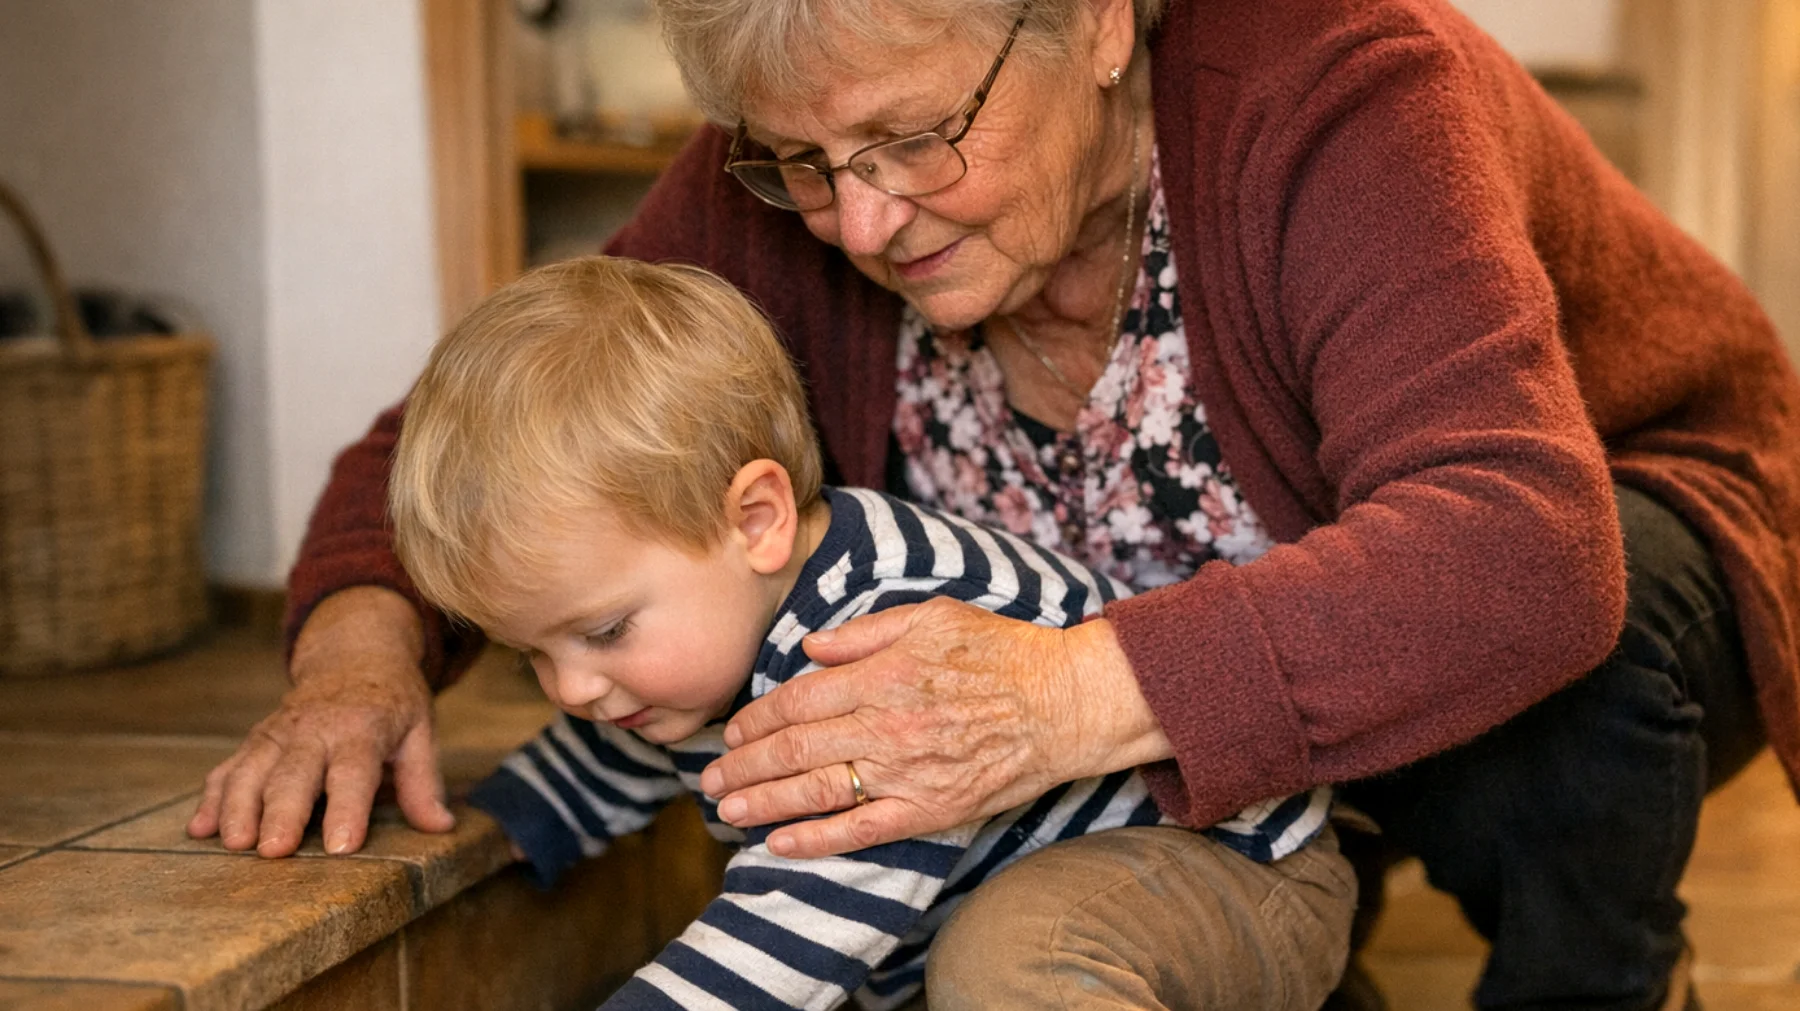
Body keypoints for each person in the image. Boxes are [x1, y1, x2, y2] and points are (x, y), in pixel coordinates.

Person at [189, 0, 1800, 1007]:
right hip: (1227, 754)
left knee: (1558, 680)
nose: (861, 220)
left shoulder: (1348, 86)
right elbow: (495, 441)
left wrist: (1050, 698)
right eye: (801, 159)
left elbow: (1520, 550)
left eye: (915, 137)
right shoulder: (804, 167)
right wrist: (359, 653)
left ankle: (1606, 980)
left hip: (1643, 529)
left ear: (1097, 20)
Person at [385, 254, 1350, 1008]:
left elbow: (789, 934)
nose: (572, 688)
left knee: (1011, 957)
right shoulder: (709, 637)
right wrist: (515, 820)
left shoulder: (875, 633)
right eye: (532, 653)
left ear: (756, 520)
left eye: (602, 631)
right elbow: (624, 751)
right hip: (1044, 901)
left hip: (1240, 876)